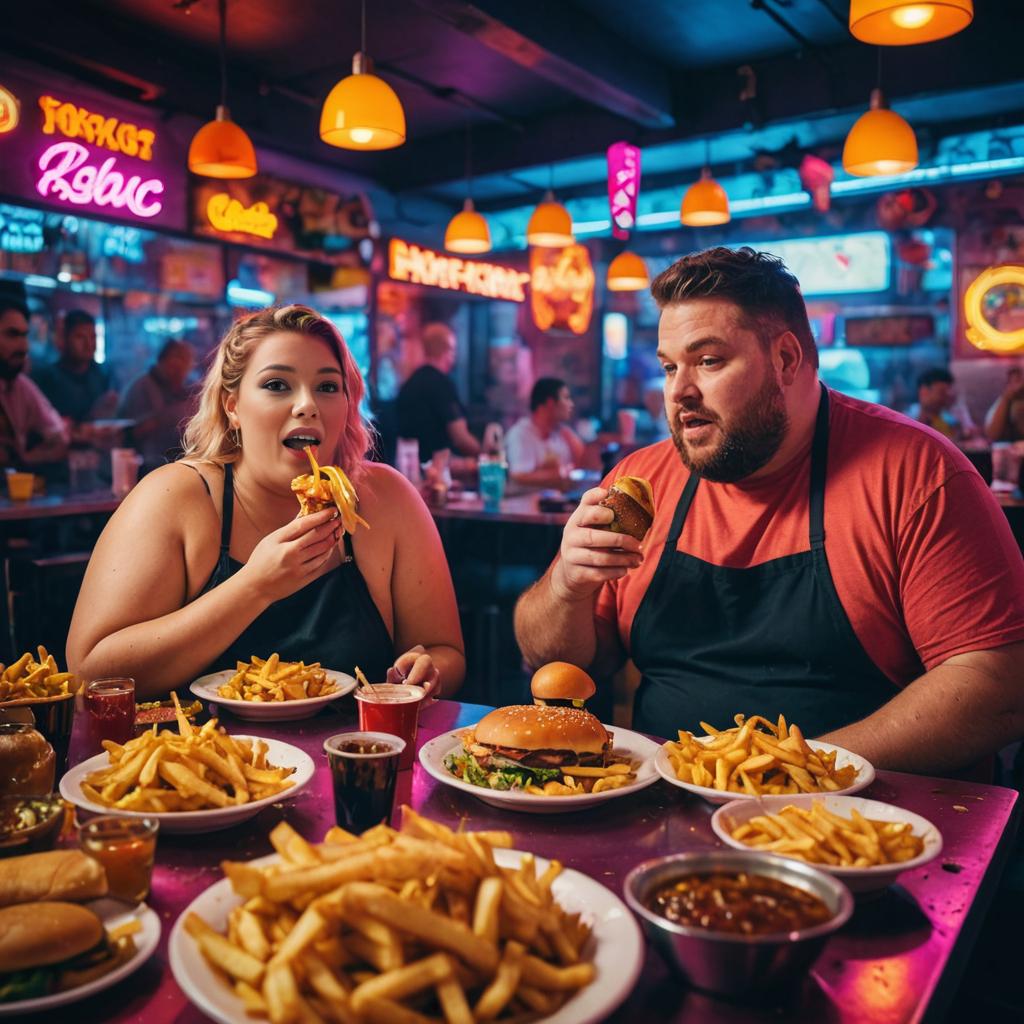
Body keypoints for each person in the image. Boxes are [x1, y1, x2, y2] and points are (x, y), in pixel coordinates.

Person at [514, 247, 1024, 776]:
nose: (678, 392)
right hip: (663, 803)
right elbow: (562, 661)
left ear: (785, 359)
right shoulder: (640, 481)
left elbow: (998, 683)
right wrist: (567, 587)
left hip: (864, 819)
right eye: (670, 367)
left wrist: (793, 773)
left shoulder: (916, 473)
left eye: (708, 361)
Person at [67, 305, 465, 700]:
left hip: (354, 757)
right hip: (210, 758)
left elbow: (444, 652)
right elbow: (90, 675)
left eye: (328, 387)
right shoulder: (176, 497)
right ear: (232, 406)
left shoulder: (387, 500)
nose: (307, 404)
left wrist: (429, 671)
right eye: (277, 385)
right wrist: (256, 586)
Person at [0, 295, 69, 468]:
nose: (24, 347)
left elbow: (60, 438)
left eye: (25, 335)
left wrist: (23, 459)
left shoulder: (20, 386)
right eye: (12, 334)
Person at [396, 323, 480, 461]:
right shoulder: (443, 384)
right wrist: (483, 454)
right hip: (440, 470)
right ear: (448, 352)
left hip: (412, 470)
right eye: (453, 350)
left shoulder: (409, 384)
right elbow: (461, 438)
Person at [32, 311, 118, 442]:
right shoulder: (47, 378)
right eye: (80, 337)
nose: (89, 344)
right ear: (64, 339)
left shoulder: (102, 374)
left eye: (93, 337)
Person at [118, 339, 197, 473]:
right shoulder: (141, 387)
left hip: (180, 466)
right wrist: (167, 417)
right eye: (176, 359)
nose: (180, 367)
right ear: (161, 360)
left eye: (185, 361)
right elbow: (133, 433)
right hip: (146, 468)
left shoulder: (188, 388)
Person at [505, 377, 584, 489]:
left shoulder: (560, 433)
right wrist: (560, 473)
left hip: (557, 502)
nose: (571, 404)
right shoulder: (521, 434)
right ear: (550, 403)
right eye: (566, 398)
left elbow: (578, 465)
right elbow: (518, 475)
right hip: (525, 503)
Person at [907, 367, 979, 442]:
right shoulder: (909, 418)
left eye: (948, 393)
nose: (946, 397)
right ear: (924, 391)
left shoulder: (952, 416)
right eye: (941, 393)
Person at [985, 366, 1024, 442]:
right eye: (1017, 381)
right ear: (1007, 385)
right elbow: (992, 435)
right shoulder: (1002, 402)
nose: (1019, 386)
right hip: (1007, 449)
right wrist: (1007, 397)